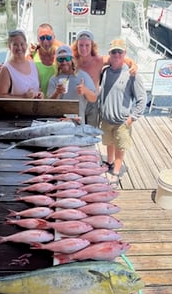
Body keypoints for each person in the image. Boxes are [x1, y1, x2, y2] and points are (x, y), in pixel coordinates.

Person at [98, 39, 146, 188]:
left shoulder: (133, 75)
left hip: (122, 122)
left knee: (120, 147)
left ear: (125, 54)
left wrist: (131, 119)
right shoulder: (105, 71)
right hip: (106, 119)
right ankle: (110, 162)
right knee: (109, 142)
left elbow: (142, 100)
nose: (117, 54)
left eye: (120, 51)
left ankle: (116, 172)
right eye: (114, 51)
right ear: (109, 54)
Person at [72, 30, 138, 127]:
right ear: (76, 46)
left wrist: (133, 64)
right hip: (77, 101)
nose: (84, 48)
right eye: (81, 45)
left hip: (92, 103)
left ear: (92, 46)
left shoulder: (99, 60)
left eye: (87, 45)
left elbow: (118, 58)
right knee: (75, 131)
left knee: (91, 132)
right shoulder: (72, 61)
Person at [47, 45, 97, 123]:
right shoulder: (53, 79)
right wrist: (56, 93)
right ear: (57, 61)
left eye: (67, 58)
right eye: (60, 59)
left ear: (72, 60)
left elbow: (94, 98)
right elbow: (49, 105)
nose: (64, 62)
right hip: (58, 123)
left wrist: (85, 90)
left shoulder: (82, 76)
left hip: (77, 123)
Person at [0, 30, 43, 99]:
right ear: (9, 47)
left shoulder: (33, 65)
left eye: (22, 44)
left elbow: (38, 88)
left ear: (26, 45)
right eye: (15, 45)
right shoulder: (6, 70)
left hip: (35, 109)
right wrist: (23, 97)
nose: (19, 48)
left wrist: (40, 94)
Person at [29, 23, 63, 96]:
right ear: (37, 39)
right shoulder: (32, 56)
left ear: (54, 37)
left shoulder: (61, 55)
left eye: (48, 37)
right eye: (42, 38)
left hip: (59, 103)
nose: (45, 41)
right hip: (39, 103)